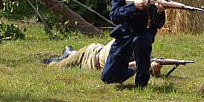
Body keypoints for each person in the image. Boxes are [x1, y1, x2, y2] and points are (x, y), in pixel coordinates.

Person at [101, 0, 165, 88]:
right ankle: (133, 68)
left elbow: (158, 24)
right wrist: (134, 6)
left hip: (143, 34)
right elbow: (115, 16)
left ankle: (142, 83)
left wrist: (159, 11)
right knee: (108, 77)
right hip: (124, 35)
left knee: (142, 41)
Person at [44, 40, 174, 78]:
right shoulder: (118, 44)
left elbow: (149, 68)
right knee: (56, 66)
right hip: (88, 56)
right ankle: (65, 54)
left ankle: (70, 52)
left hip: (96, 50)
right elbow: (114, 68)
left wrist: (156, 69)